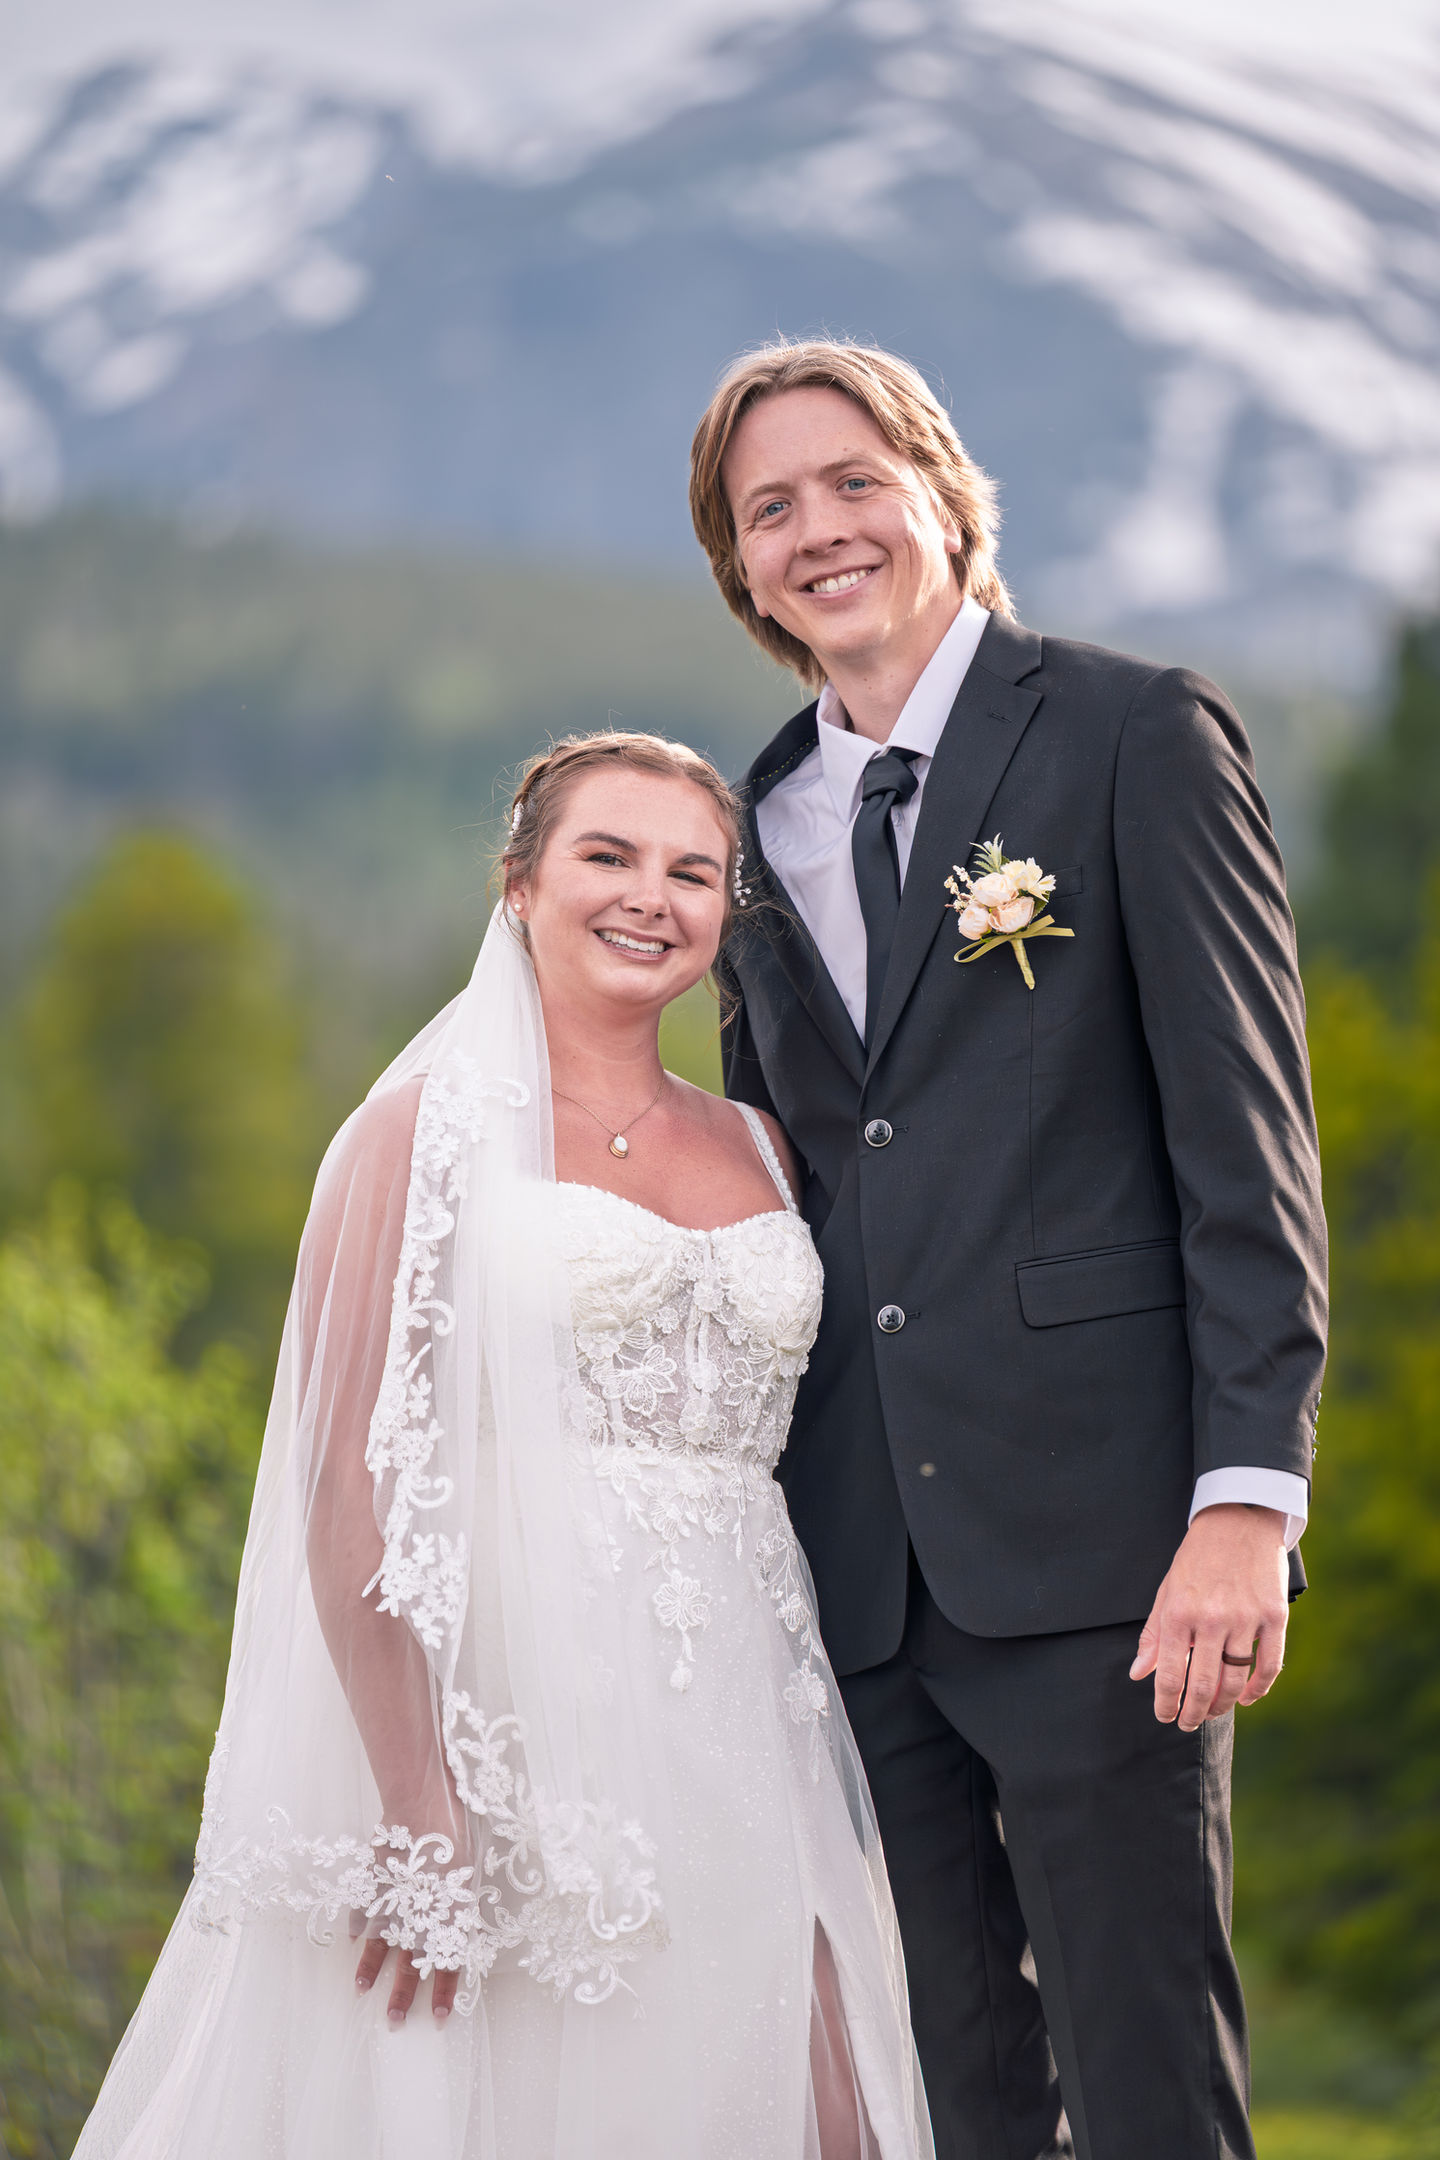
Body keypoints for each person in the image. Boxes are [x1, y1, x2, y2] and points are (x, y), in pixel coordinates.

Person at [73, 733, 935, 2160]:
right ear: (522, 883)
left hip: (747, 1705)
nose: (650, 897)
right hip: (509, 1704)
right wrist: (420, 1795)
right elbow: (349, 1481)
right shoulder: (415, 1137)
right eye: (608, 856)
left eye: (693, 871)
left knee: (806, 2093)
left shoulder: (769, 1149)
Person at [690, 340, 1327, 2160]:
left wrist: (1243, 1503)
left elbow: (1246, 1146)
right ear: (743, 573)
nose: (819, 532)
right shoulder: (756, 824)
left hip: (1106, 1553)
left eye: (852, 482)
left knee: (1143, 2089)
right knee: (946, 2097)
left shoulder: (1136, 731)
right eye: (770, 511)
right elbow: (790, 1196)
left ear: (946, 496)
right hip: (860, 1572)